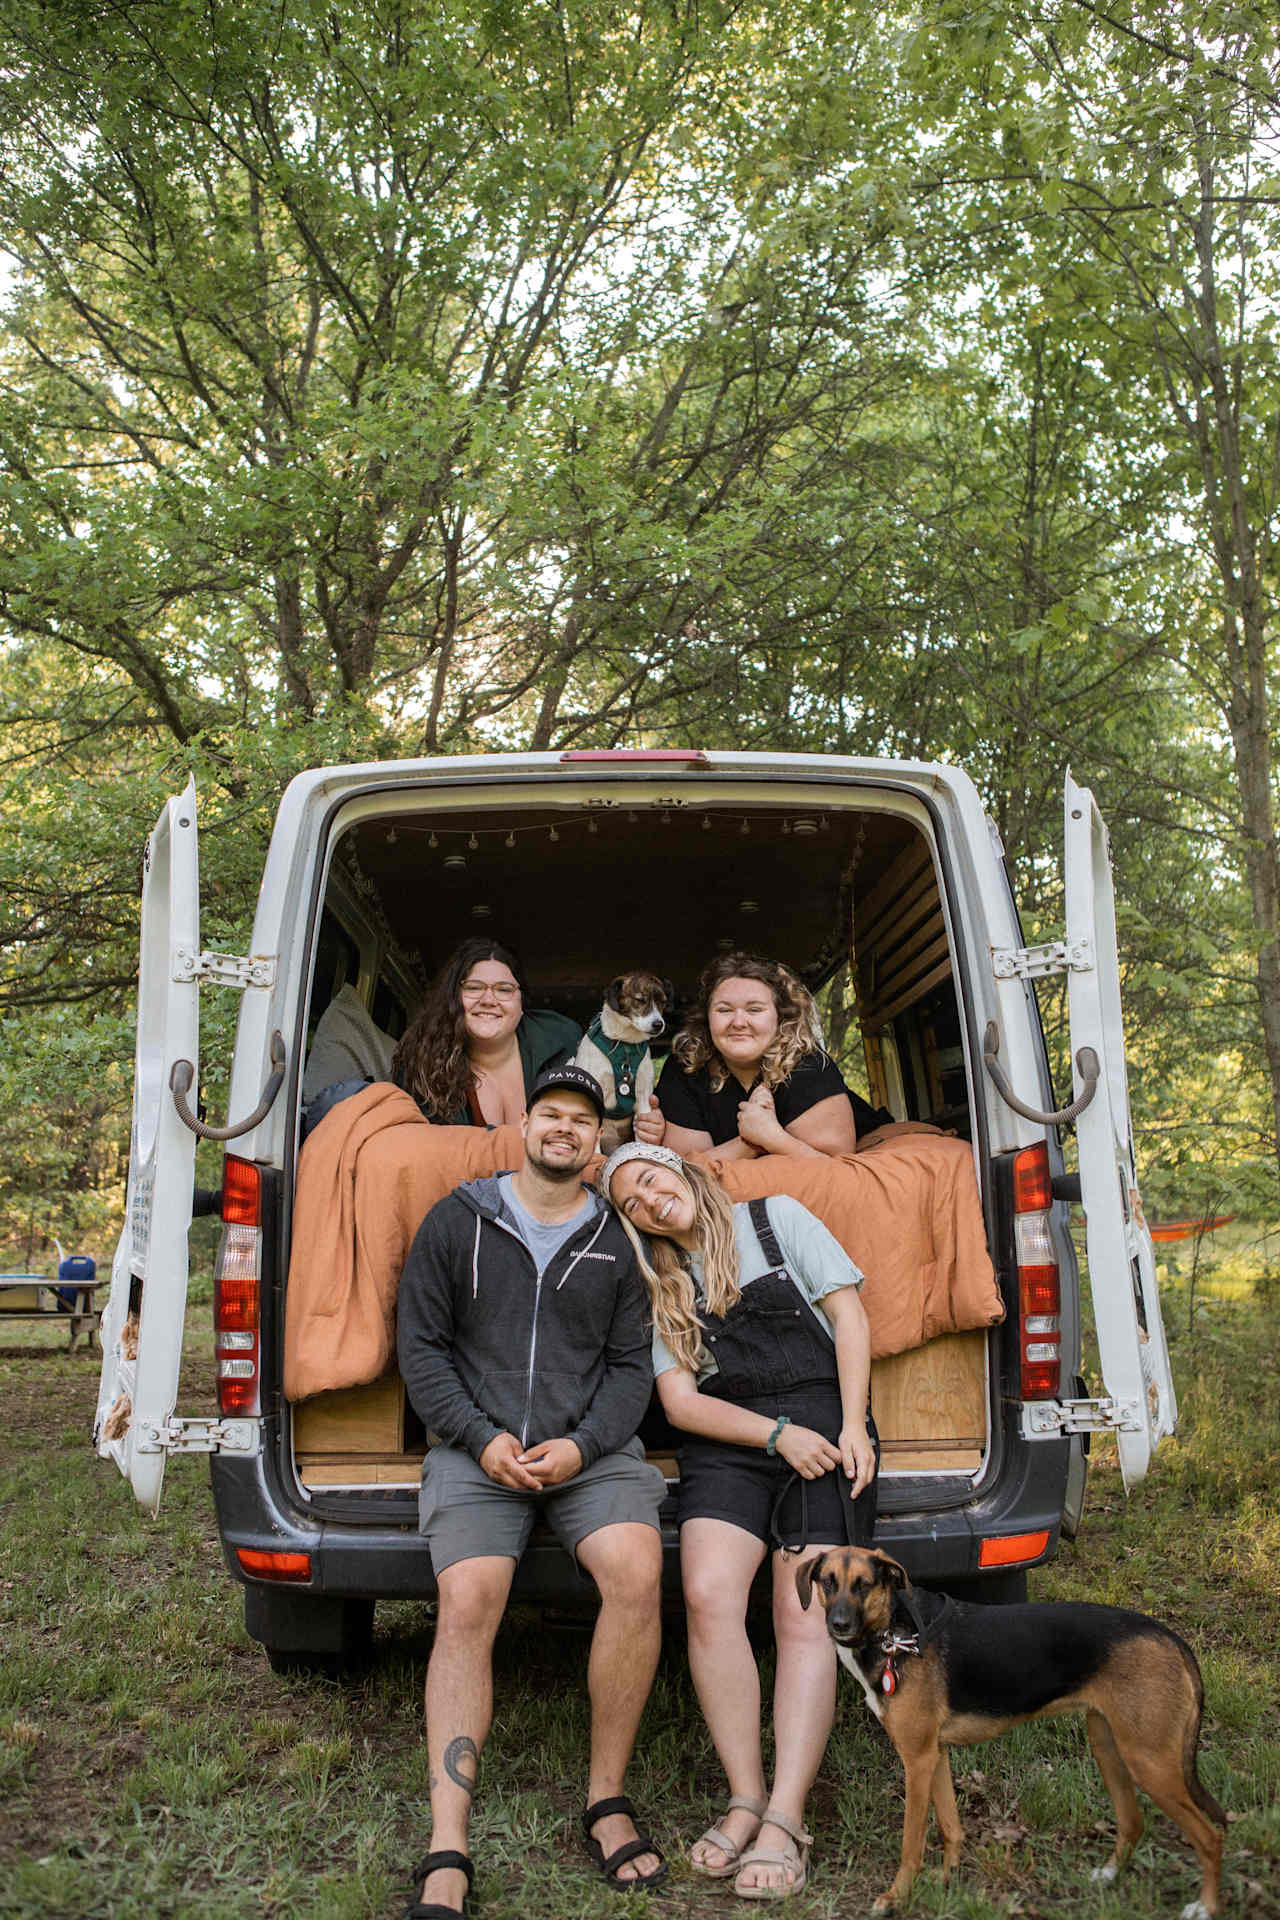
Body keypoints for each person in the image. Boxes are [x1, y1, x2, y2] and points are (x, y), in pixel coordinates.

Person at [397, 1065, 668, 1920]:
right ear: (524, 1125)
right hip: (477, 1450)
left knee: (636, 1569)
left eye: (582, 1121)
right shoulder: (456, 1220)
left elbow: (633, 1370)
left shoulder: (618, 1241)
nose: (565, 1129)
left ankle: (606, 1801)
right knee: (470, 1596)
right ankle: (449, 1842)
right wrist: (484, 1439)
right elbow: (423, 1352)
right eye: (550, 1113)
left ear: (598, 1143)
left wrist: (583, 1447)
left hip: (588, 1450)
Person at [600, 1139, 878, 1902]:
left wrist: (853, 1426)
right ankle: (745, 1796)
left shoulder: (776, 1220)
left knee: (805, 1616)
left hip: (822, 1425)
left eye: (652, 1180)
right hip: (729, 1436)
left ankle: (787, 1818)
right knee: (709, 1596)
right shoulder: (659, 1283)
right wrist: (769, 1436)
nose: (651, 1200)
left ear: (682, 1171)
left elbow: (849, 1319)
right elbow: (684, 1404)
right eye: (632, 1203)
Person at [636, 951, 890, 1161]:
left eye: (754, 1009)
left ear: (780, 1016)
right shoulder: (685, 1068)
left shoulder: (808, 1063)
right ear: (707, 1019)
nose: (738, 1022)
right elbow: (689, 1171)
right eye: (724, 1010)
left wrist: (771, 1137)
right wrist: (749, 1143)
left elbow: (835, 1170)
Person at [392, 937, 582, 1126]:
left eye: (504, 990)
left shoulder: (563, 1039)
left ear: (521, 1002)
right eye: (474, 988)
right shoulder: (423, 1066)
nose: (489, 1000)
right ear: (453, 999)